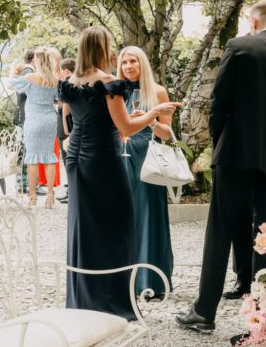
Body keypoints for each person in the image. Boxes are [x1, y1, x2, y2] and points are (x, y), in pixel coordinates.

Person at [176, 0, 266, 333]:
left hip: (235, 153)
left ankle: (204, 312)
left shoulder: (238, 47)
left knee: (220, 229)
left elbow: (219, 101)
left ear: (253, 23)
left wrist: (218, 143)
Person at [58, 27, 179, 320]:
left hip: (75, 156)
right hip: (103, 157)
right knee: (118, 224)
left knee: (84, 226)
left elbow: (66, 122)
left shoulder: (70, 83)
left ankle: (84, 298)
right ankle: (112, 300)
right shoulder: (109, 83)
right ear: (102, 49)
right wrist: (150, 115)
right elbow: (125, 128)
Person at [118, 46, 175, 298]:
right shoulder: (115, 91)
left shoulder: (158, 92)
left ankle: (150, 280)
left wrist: (150, 119)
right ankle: (123, 279)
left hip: (147, 161)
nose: (128, 66)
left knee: (148, 217)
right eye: (124, 62)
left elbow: (167, 134)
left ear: (143, 64)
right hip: (120, 158)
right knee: (123, 218)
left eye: (133, 61)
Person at [12, 46, 62, 208]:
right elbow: (58, 100)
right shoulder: (54, 80)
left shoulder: (31, 77)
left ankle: (32, 196)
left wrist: (15, 70)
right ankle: (50, 195)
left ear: (38, 61)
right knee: (49, 158)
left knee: (32, 159)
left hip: (33, 121)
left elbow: (12, 85)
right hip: (49, 120)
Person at [14, 49, 35, 195]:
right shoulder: (28, 73)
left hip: (22, 117)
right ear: (34, 60)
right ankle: (25, 185)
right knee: (26, 152)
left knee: (23, 152)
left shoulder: (24, 72)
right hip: (26, 118)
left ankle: (23, 185)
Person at [56, 58, 75, 204]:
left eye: (61, 71)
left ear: (66, 71)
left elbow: (65, 108)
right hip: (70, 129)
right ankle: (71, 191)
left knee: (69, 162)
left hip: (67, 129)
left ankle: (72, 192)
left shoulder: (67, 85)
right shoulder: (75, 83)